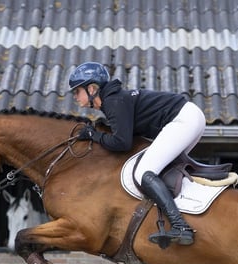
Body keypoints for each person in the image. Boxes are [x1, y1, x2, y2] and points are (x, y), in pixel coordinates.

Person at [68, 61, 206, 246]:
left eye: (77, 91)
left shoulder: (113, 101)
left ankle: (180, 226)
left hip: (183, 120)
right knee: (163, 171)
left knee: (143, 173)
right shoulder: (114, 100)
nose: (75, 96)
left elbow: (122, 143)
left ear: (92, 89)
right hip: (190, 117)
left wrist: (94, 135)